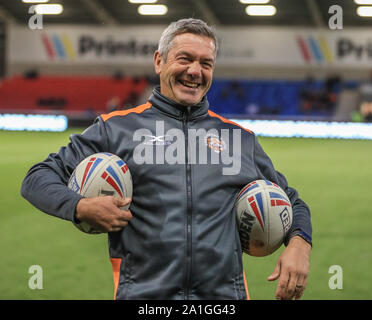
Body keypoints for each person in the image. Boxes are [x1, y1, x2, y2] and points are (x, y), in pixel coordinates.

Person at [21, 18, 312, 300]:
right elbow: (37, 177)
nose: (195, 71)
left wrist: (299, 244)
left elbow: (292, 201)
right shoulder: (116, 129)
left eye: (205, 63)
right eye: (185, 59)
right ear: (159, 61)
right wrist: (80, 206)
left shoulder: (238, 138)